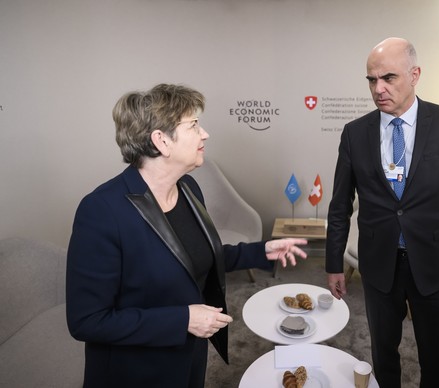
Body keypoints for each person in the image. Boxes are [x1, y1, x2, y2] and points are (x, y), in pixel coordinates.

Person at [66, 83, 308, 388]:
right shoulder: (101, 211)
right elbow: (87, 321)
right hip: (135, 372)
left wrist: (262, 251)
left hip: (188, 356)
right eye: (194, 125)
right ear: (162, 141)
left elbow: (198, 257)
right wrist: (183, 320)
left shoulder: (189, 190)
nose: (204, 134)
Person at [325, 38, 439, 387]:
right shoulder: (355, 134)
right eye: (371, 80)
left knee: (436, 358)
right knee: (383, 352)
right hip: (380, 265)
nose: (378, 89)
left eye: (388, 78)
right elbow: (339, 206)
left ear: (415, 75)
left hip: (435, 264)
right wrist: (334, 262)